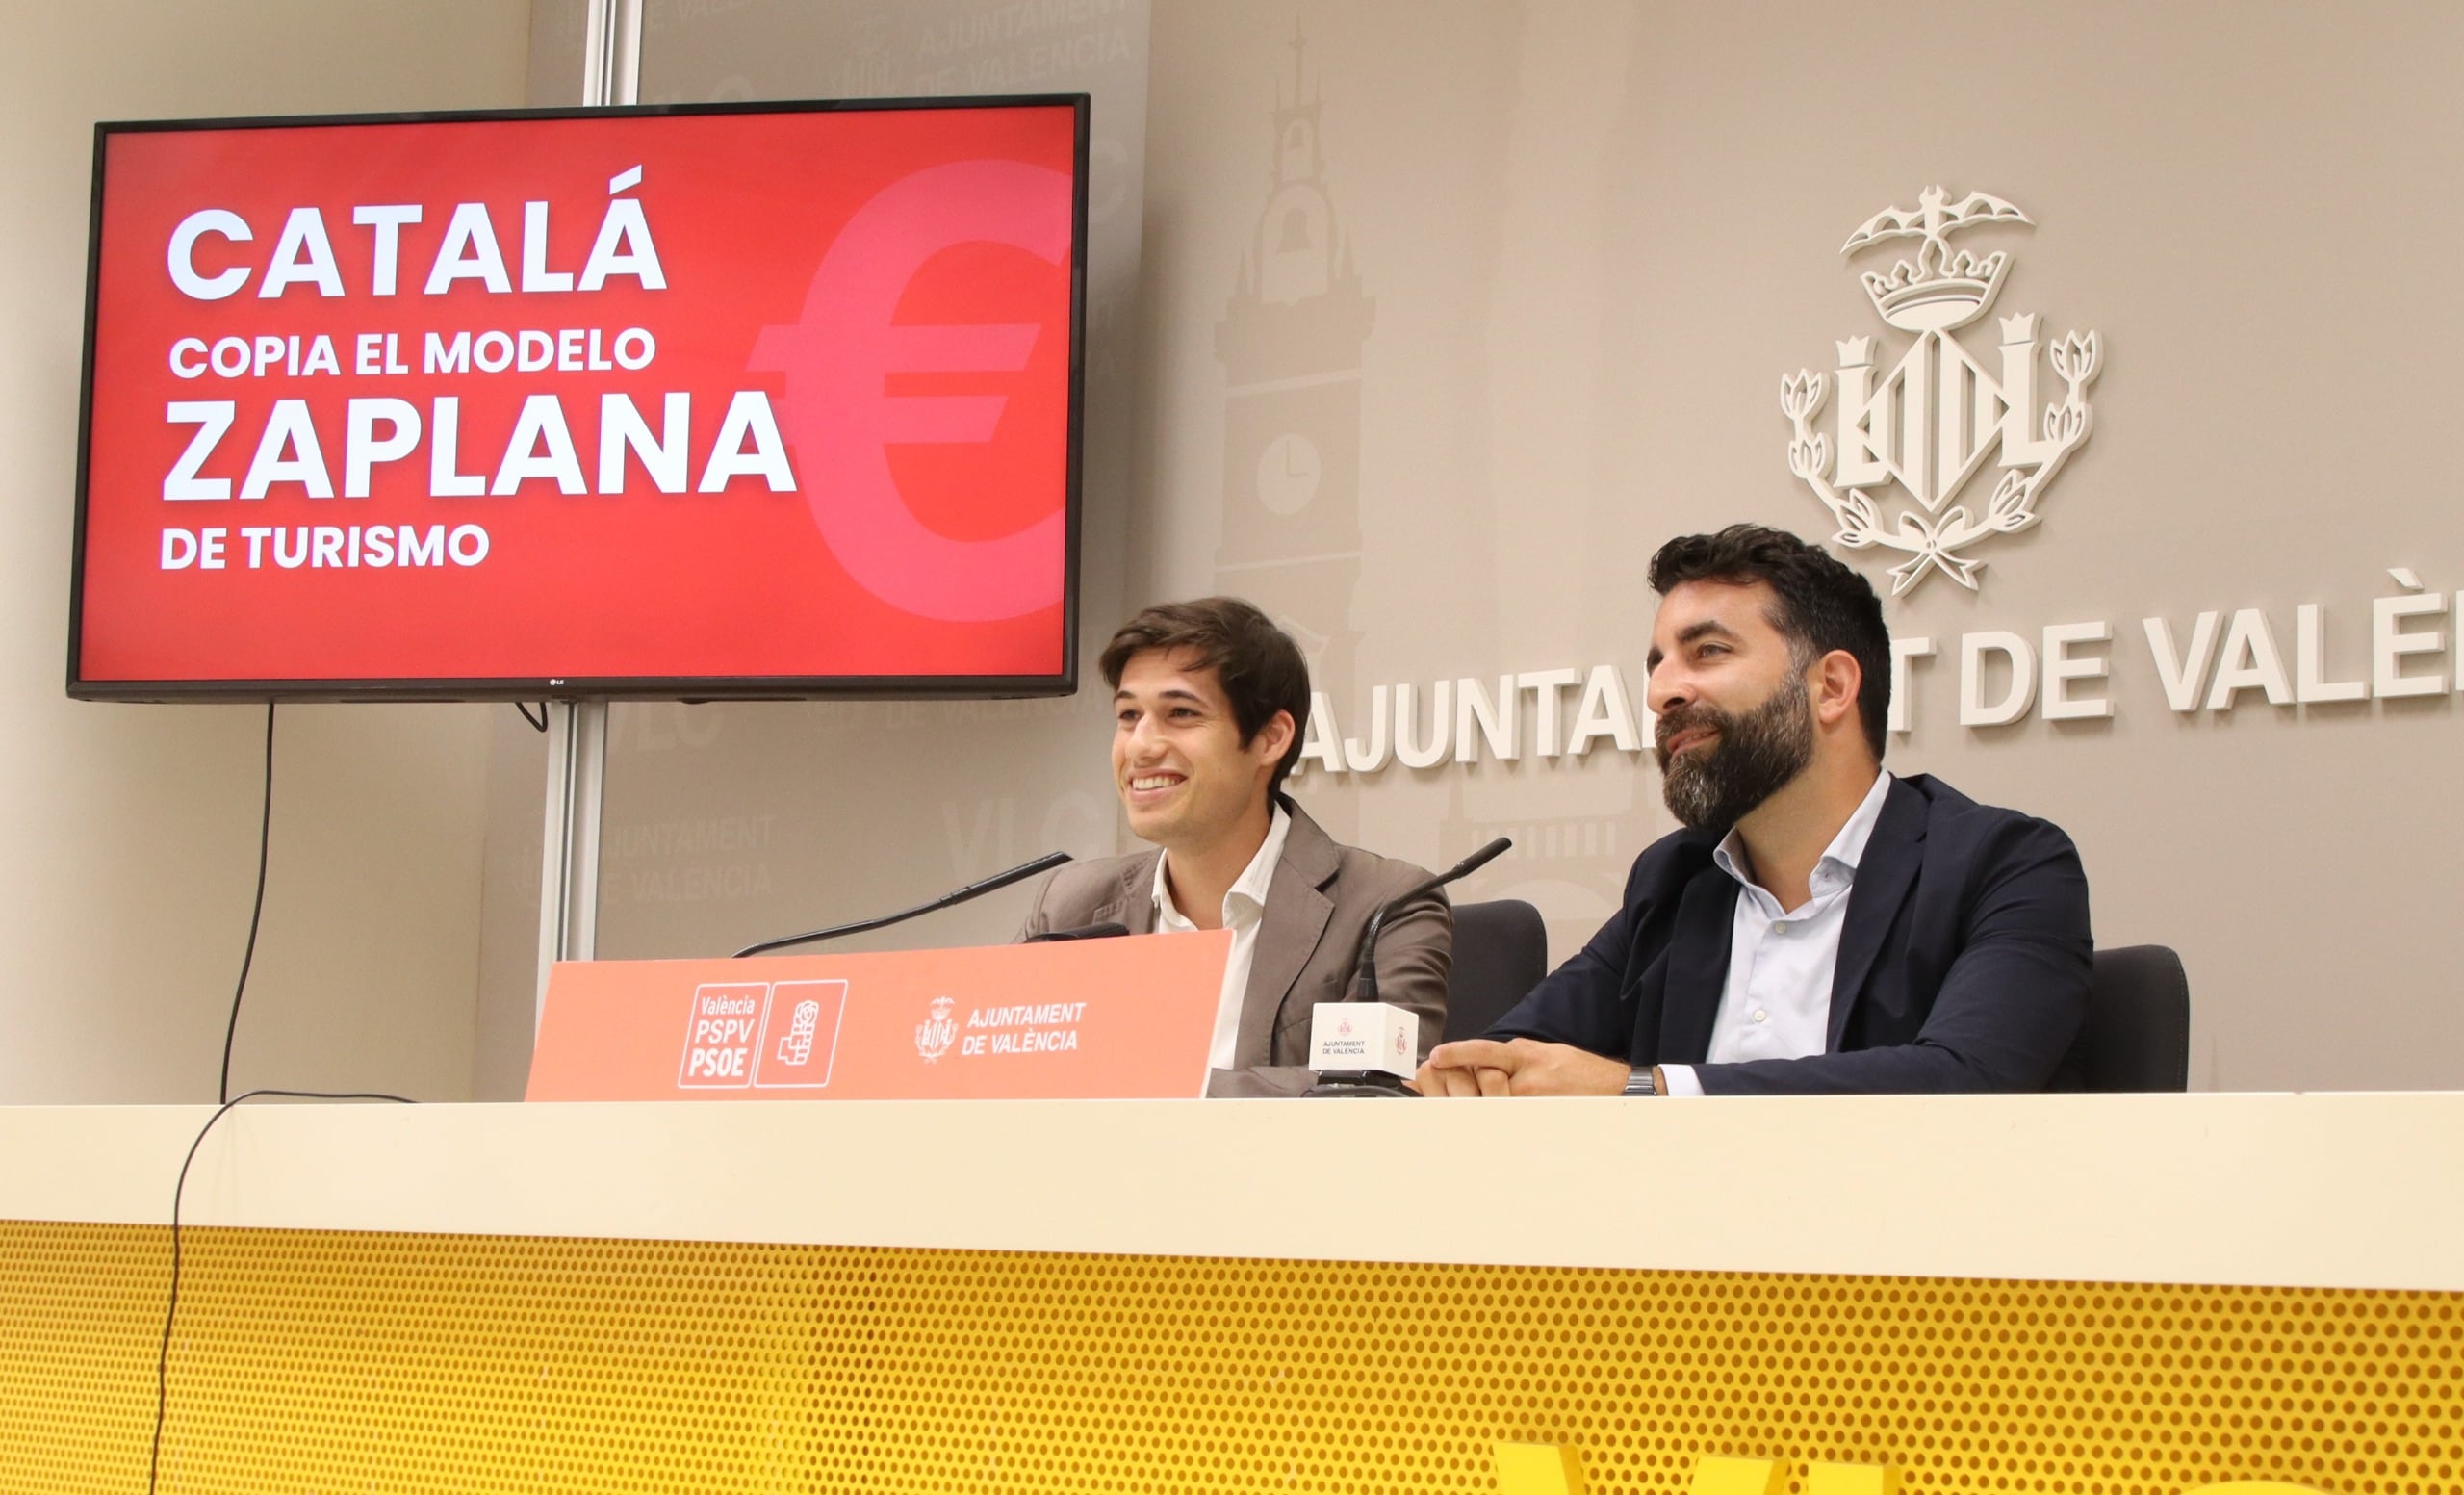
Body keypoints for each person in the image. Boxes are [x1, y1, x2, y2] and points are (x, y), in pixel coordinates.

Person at [1417, 525, 2092, 1098]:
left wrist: (1641, 1090)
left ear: (1830, 686)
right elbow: (1508, 1056)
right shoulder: (1675, 882)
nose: (1661, 691)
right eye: (1657, 664)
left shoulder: (2007, 865)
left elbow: (1966, 1082)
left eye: (1706, 651)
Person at [1020, 597, 1451, 1097]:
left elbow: (1376, 1092)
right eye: (1128, 714)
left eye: (1180, 713)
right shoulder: (1071, 903)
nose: (1140, 745)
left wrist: (1146, 1090)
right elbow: (995, 1078)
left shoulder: (1386, 905)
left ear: (1271, 737)